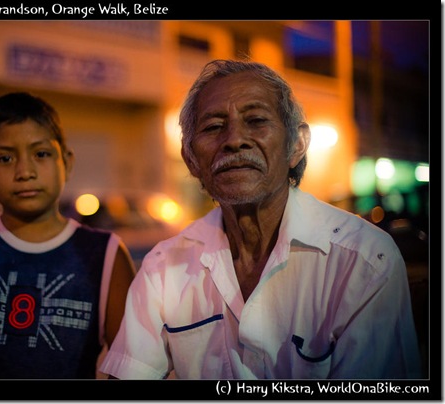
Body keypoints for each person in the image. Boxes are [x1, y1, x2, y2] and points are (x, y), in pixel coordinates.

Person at [99, 59, 422, 379]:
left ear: (296, 145)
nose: (234, 139)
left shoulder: (363, 259)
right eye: (213, 127)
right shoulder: (164, 265)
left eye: (256, 120)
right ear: (191, 159)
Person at [0, 92, 137, 379]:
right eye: (5, 158)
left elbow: (130, 370)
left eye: (41, 154)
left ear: (66, 162)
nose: (24, 171)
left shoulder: (106, 256)